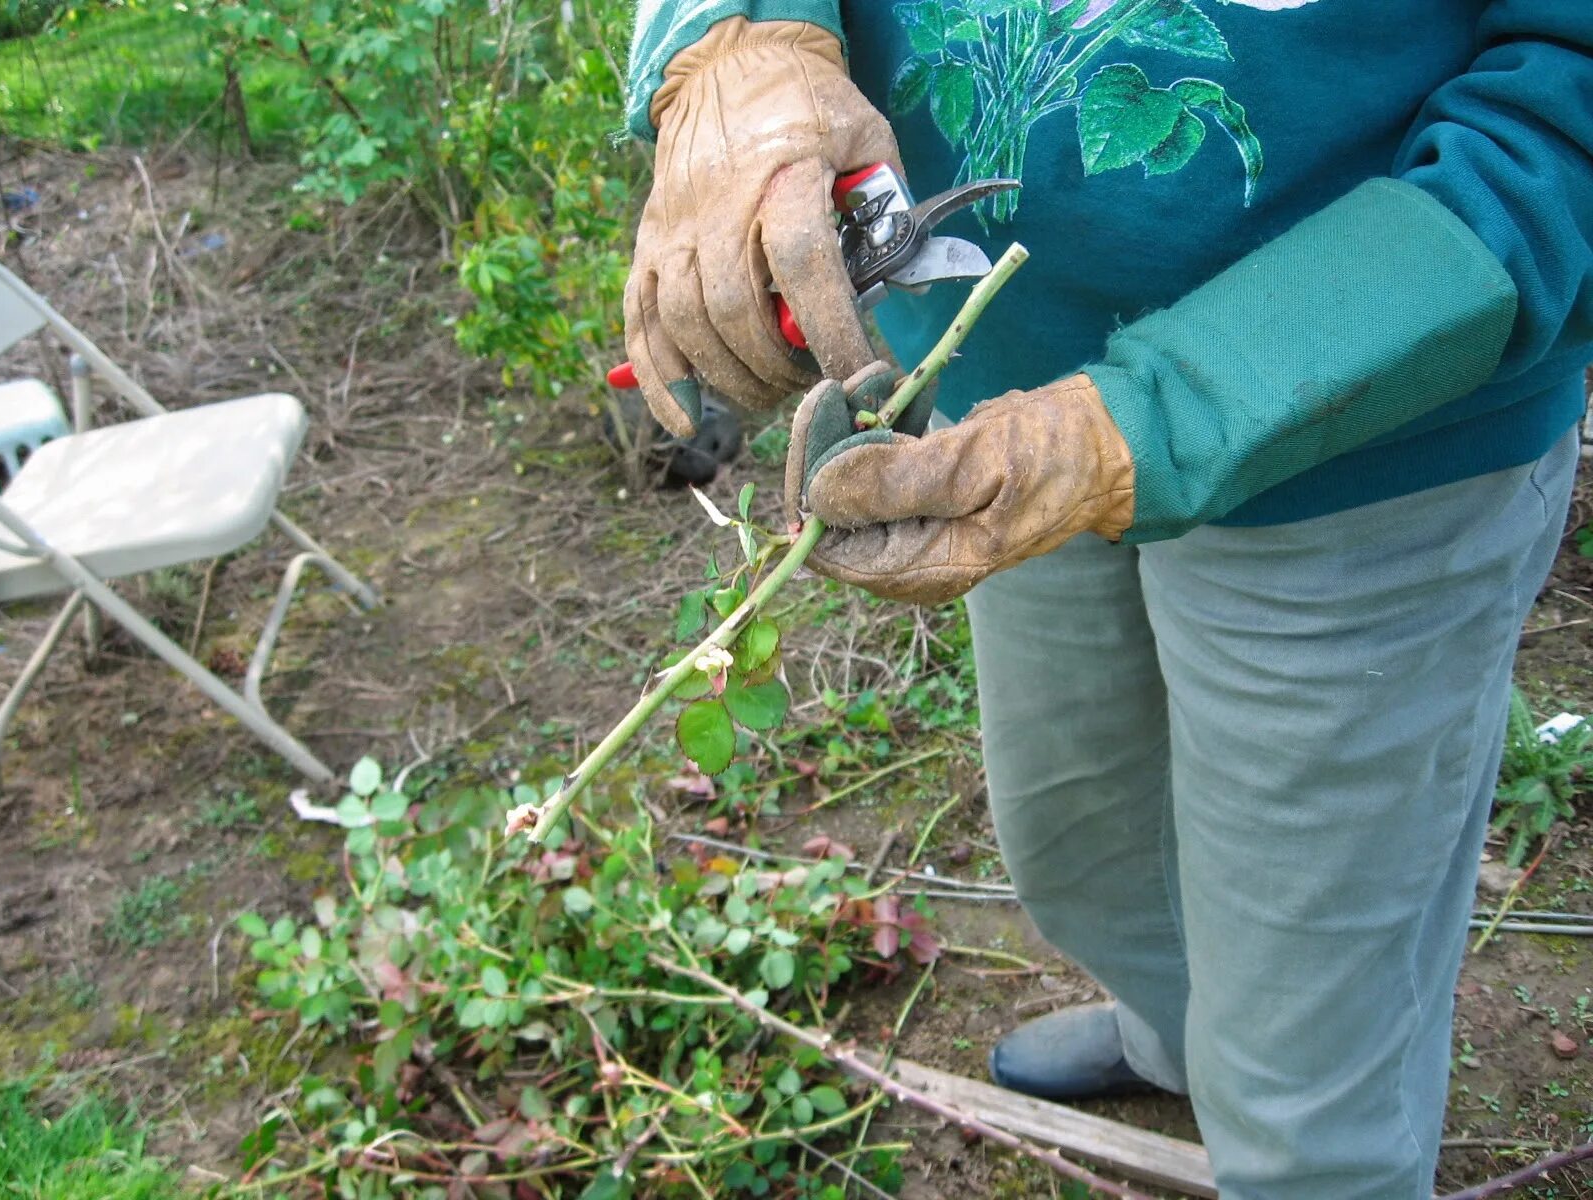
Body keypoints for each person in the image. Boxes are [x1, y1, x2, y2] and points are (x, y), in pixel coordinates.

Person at [620, 3, 1592, 1197]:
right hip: (1002, 385)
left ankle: (1294, 1137)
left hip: (1373, 447)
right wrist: (742, 39)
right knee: (1081, 843)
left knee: (1310, 1041)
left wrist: (1151, 419)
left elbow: (1568, 121)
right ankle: (1178, 1042)